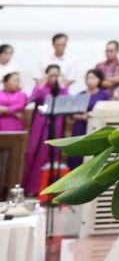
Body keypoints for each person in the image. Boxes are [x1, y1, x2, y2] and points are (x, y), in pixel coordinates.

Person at [22, 65, 69, 195]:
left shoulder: (61, 88)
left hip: (57, 122)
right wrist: (40, 86)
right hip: (41, 123)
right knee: (35, 152)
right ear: (46, 75)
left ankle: (49, 189)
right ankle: (33, 188)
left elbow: (66, 101)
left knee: (53, 152)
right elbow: (30, 99)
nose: (54, 78)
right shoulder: (41, 86)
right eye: (51, 75)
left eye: (56, 75)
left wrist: (63, 87)